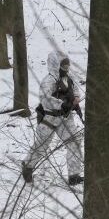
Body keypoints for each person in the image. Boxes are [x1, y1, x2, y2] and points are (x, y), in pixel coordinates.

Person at [21, 51, 84, 186]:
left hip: (66, 118)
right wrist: (62, 103)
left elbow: (76, 91)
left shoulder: (69, 78)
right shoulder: (49, 80)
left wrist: (75, 101)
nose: (66, 67)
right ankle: (27, 166)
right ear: (56, 64)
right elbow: (45, 99)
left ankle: (74, 175)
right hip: (49, 118)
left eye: (67, 65)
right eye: (63, 65)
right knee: (42, 145)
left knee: (74, 142)